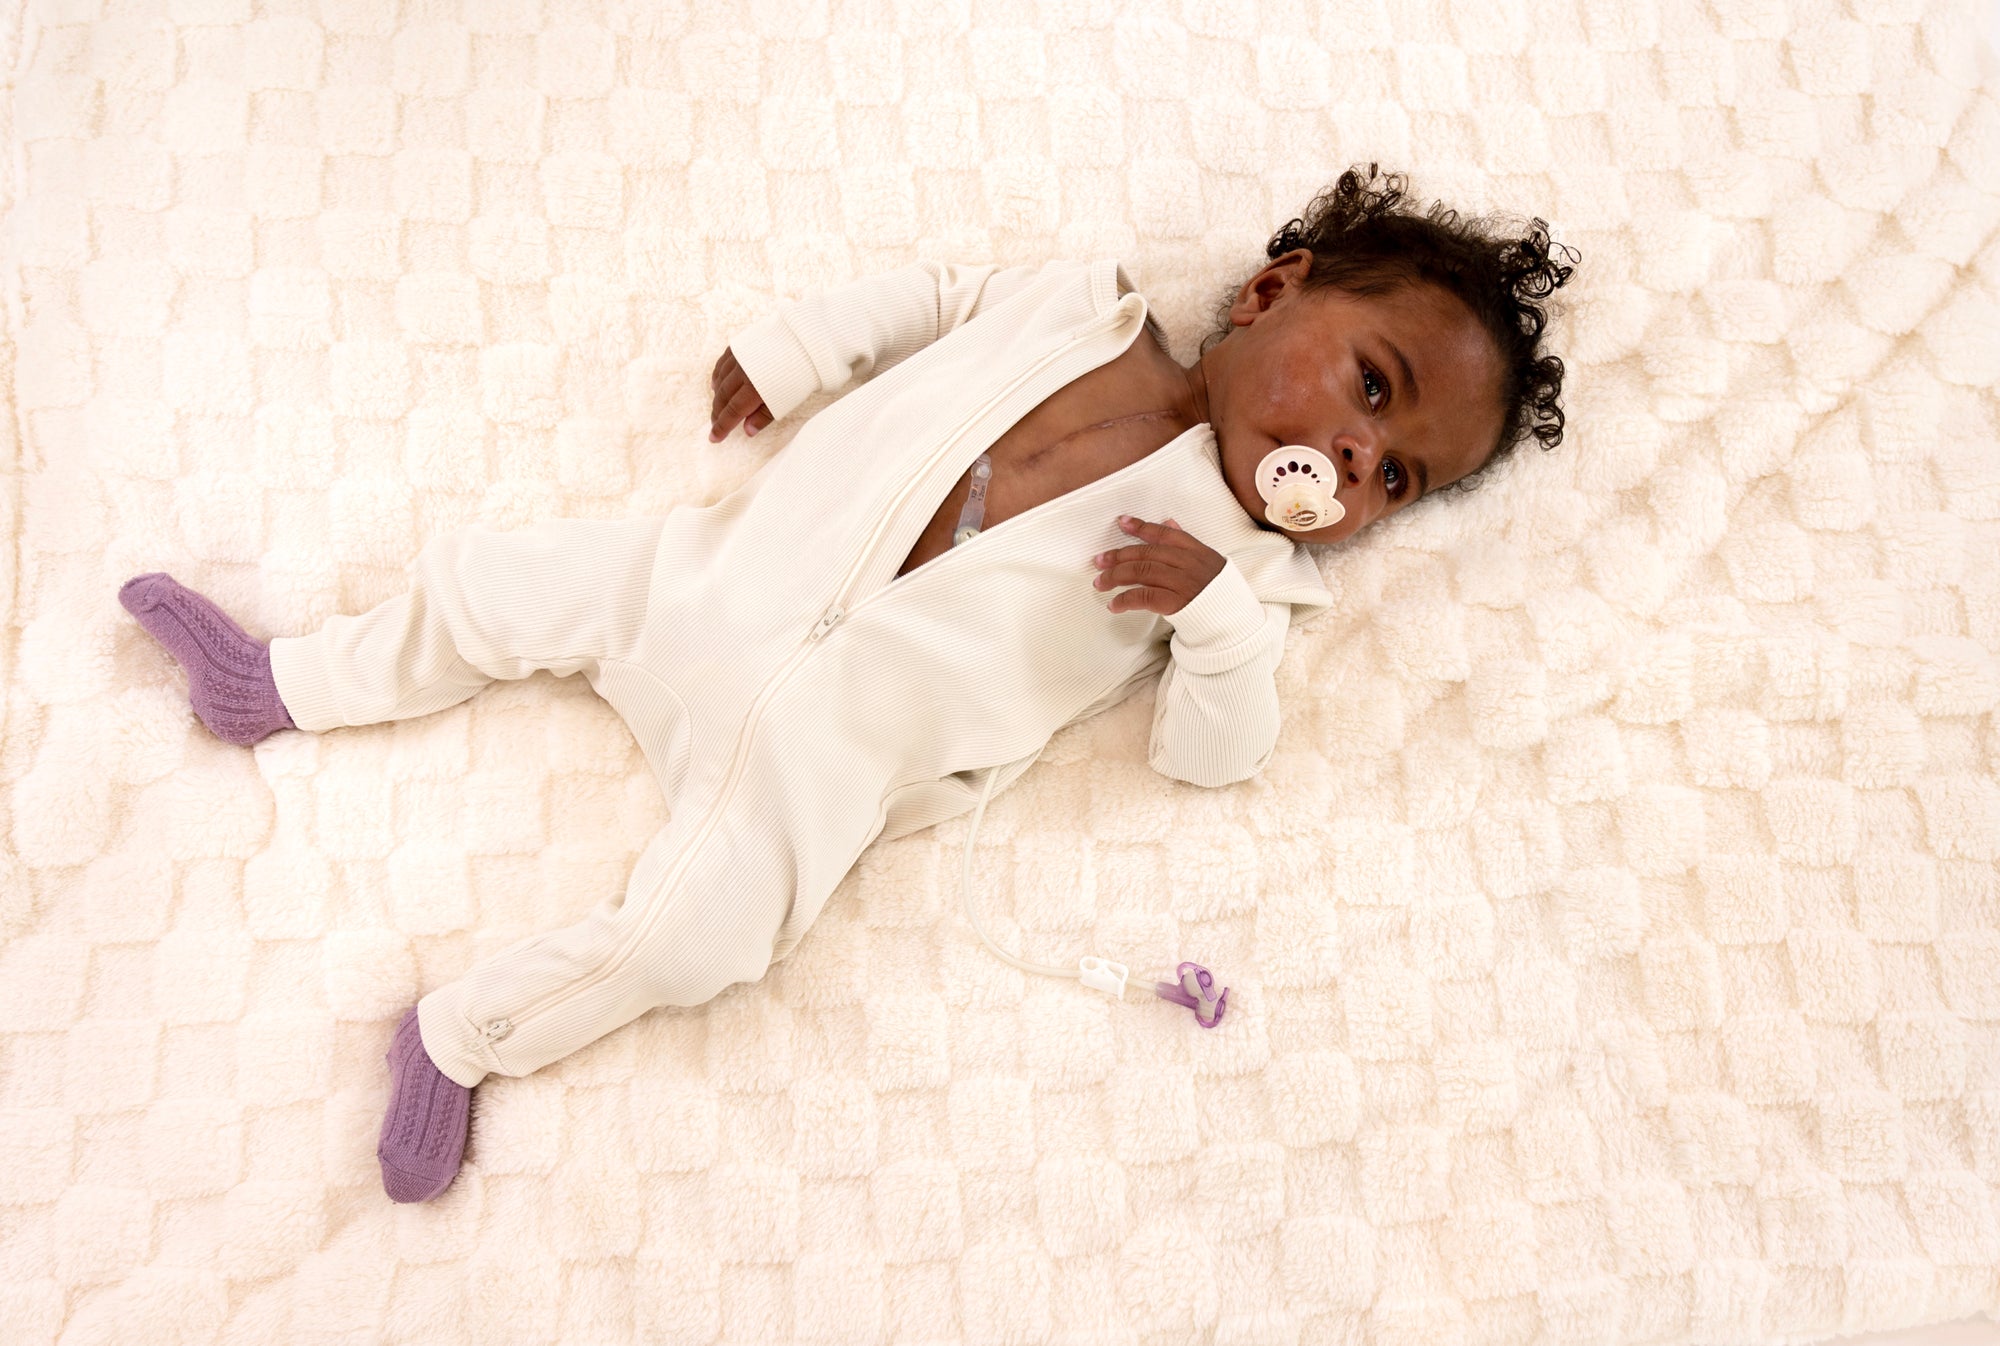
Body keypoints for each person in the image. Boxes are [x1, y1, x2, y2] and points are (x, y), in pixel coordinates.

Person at [116, 165, 1575, 1203]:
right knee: (497, 586)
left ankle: (460, 1033)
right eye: (1372, 389)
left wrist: (1216, 629)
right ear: (1270, 291)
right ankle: (278, 679)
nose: (1356, 469)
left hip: (819, 760)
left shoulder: (1250, 579)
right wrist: (798, 347)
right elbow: (931, 300)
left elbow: (1213, 756)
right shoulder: (1085, 307)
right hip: (705, 579)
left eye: (1400, 477)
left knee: (698, 939)